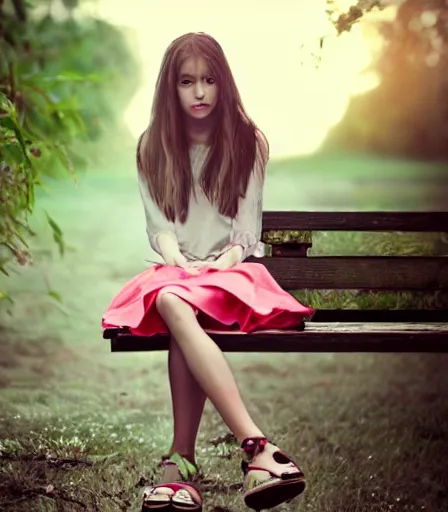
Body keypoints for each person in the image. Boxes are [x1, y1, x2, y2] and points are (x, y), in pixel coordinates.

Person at [102, 32, 315, 512]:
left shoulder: (247, 141)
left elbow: (245, 233)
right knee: (175, 300)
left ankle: (186, 465)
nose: (199, 92)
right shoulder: (151, 147)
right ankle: (256, 453)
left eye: (209, 80)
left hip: (230, 274)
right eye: (186, 81)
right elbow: (160, 229)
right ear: (169, 88)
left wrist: (215, 265)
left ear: (224, 85)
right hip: (177, 272)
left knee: (177, 303)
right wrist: (179, 263)